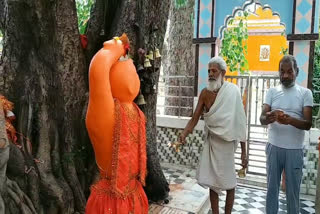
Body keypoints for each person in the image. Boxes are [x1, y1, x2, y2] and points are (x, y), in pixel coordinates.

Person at [85, 34, 148, 213]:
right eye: (131, 71)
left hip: (133, 193)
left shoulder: (134, 110)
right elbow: (98, 69)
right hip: (111, 201)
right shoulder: (106, 110)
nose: (135, 77)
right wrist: (116, 48)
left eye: (134, 71)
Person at [178, 56, 248, 214]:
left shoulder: (233, 92)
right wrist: (184, 133)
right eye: (209, 71)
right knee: (213, 182)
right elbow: (195, 118)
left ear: (223, 72)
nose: (210, 74)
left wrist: (244, 152)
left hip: (228, 145)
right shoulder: (204, 93)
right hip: (212, 144)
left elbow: (241, 123)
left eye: (214, 71)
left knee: (230, 183)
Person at [260, 55, 313, 214]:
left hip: (294, 150)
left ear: (296, 72)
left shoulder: (305, 93)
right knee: (271, 191)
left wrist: (288, 120)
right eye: (282, 72)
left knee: (292, 193)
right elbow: (262, 118)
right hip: (273, 148)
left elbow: (307, 124)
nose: (285, 76)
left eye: (290, 72)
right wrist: (269, 117)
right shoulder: (271, 92)